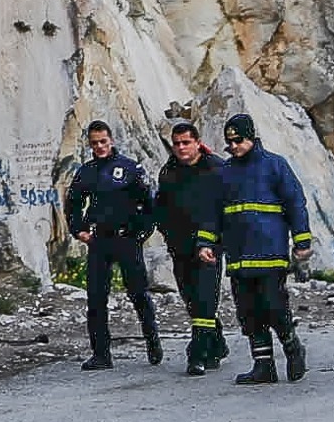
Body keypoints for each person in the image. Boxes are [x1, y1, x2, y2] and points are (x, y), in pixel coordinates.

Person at [217, 113, 312, 385]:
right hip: (238, 257)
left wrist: (302, 241)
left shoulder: (274, 165)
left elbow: (295, 204)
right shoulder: (225, 172)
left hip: (269, 253)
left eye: (238, 141)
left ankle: (293, 348)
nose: (234, 146)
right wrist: (206, 243)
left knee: (273, 306)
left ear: (251, 137)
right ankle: (263, 365)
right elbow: (214, 213)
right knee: (248, 311)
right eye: (229, 142)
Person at [64, 120, 162, 369]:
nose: (99, 147)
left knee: (138, 293)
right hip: (100, 240)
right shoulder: (87, 172)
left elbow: (149, 205)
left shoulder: (129, 168)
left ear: (111, 140)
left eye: (103, 142)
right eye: (94, 143)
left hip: (127, 239)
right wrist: (79, 231)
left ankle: (152, 341)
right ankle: (101, 354)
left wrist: (141, 233)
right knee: (96, 298)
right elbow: (73, 203)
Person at [154, 119, 230, 375]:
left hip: (209, 246)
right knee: (191, 301)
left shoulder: (216, 169)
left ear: (198, 143)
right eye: (176, 144)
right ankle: (216, 343)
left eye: (186, 142)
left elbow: (225, 209)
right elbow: (161, 207)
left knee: (205, 301)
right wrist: (165, 232)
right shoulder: (169, 172)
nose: (181, 148)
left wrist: (217, 241)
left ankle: (196, 355)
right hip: (180, 247)